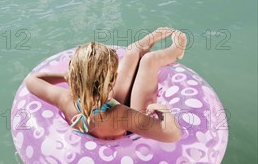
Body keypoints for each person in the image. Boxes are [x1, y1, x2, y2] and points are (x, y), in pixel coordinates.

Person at [25, 28, 186, 142]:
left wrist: (66, 77)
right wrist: (164, 112)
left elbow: (31, 80)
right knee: (149, 62)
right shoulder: (122, 114)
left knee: (132, 53)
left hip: (103, 112)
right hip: (127, 125)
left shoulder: (66, 99)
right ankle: (173, 52)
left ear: (74, 78)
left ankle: (135, 51)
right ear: (112, 81)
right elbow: (171, 135)